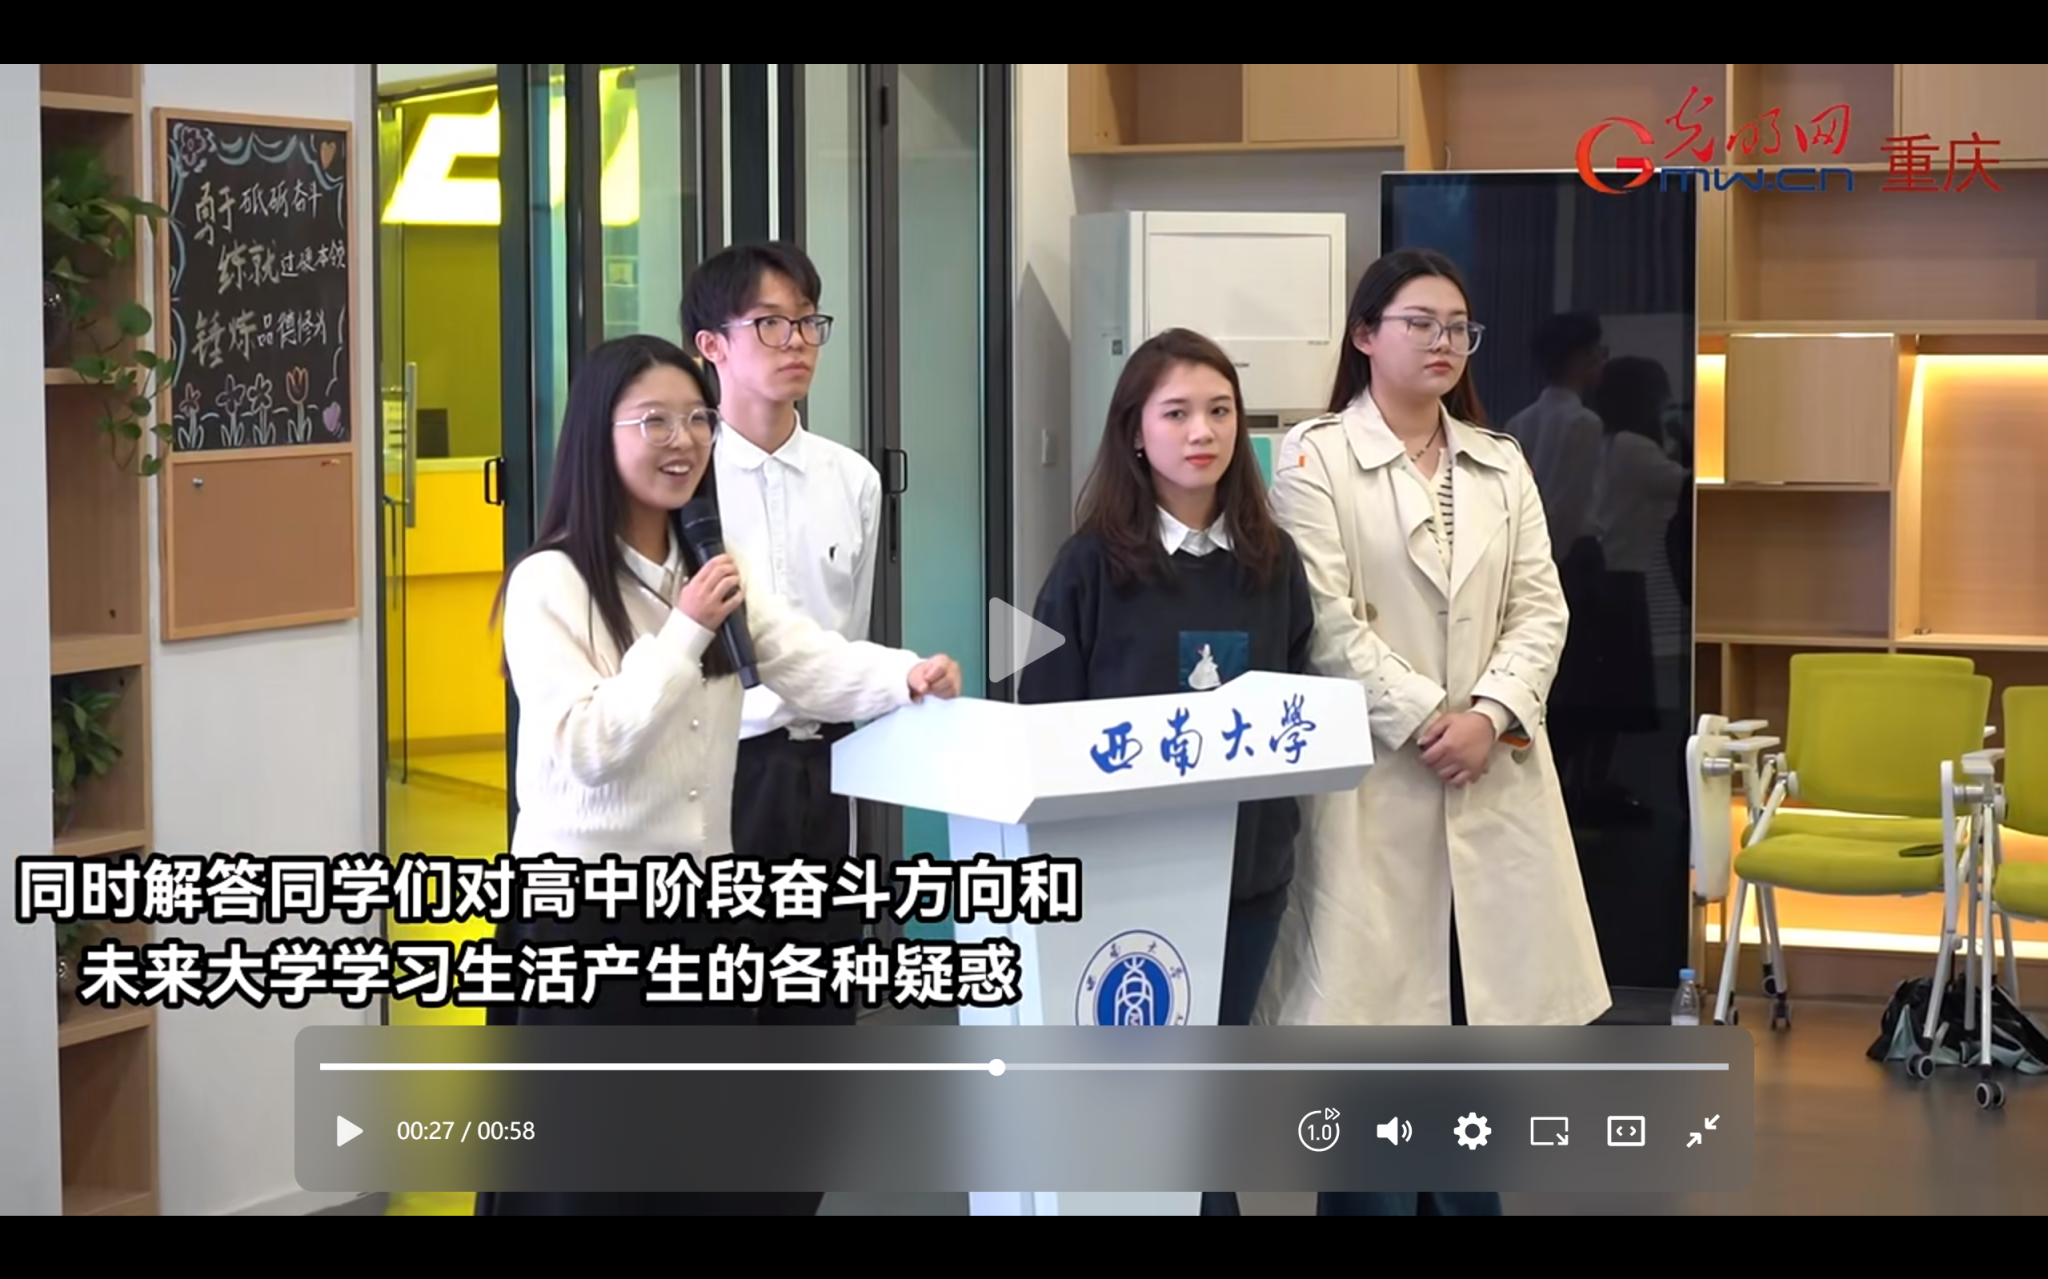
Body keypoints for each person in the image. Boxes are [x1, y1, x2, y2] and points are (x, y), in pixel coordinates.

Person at [474, 334, 961, 1217]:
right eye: (654, 421)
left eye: (697, 419)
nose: (684, 441)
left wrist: (905, 677)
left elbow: (802, 658)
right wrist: (686, 630)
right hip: (582, 923)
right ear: (596, 436)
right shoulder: (551, 581)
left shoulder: (705, 564)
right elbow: (585, 744)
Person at [1254, 248, 1610, 1217]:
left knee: (1470, 1022)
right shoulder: (1313, 457)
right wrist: (1426, 718)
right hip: (1378, 776)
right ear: (1365, 335)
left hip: (1489, 772)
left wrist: (1488, 715)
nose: (1443, 340)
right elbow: (1324, 620)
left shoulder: (1500, 460)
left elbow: (1540, 607)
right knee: (1372, 1034)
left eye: (1457, 326)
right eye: (1419, 322)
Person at [1016, 328, 1315, 1218]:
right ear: (1135, 432)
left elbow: (1297, 697)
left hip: (1246, 872)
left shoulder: (1273, 562)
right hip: (1123, 881)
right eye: (1177, 412)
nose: (1202, 431)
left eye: (1220, 411)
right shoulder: (1087, 566)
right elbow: (1043, 713)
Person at [683, 240, 884, 1000]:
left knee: (820, 994)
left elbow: (848, 634)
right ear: (712, 346)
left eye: (807, 322)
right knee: (720, 997)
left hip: (826, 765)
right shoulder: (685, 480)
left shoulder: (853, 479)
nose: (797, 342)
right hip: (718, 767)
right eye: (769, 323)